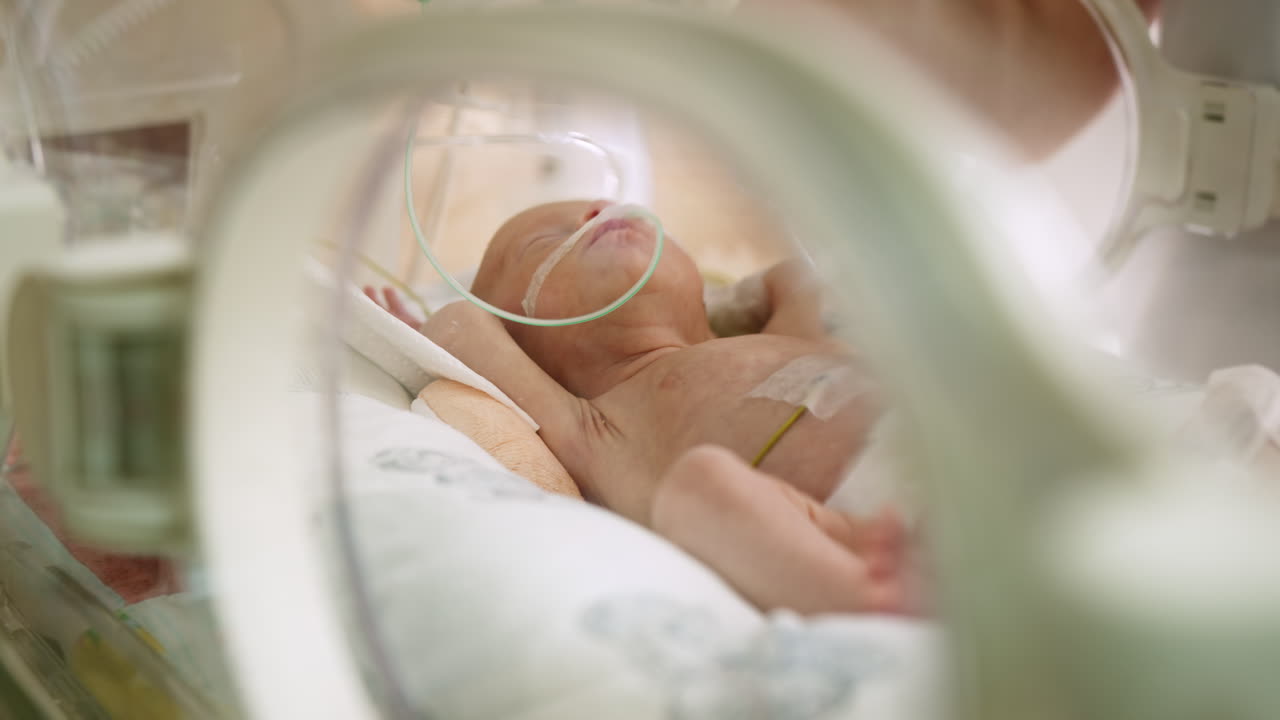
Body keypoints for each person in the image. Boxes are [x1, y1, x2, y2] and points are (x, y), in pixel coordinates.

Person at [369, 199, 914, 615]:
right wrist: (419, 332)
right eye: (541, 243)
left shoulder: (783, 336)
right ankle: (863, 598)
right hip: (856, 535)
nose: (594, 210)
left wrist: (735, 301)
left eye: (608, 203)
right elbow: (461, 327)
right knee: (700, 489)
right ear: (521, 343)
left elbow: (802, 278)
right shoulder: (596, 424)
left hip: (941, 464)